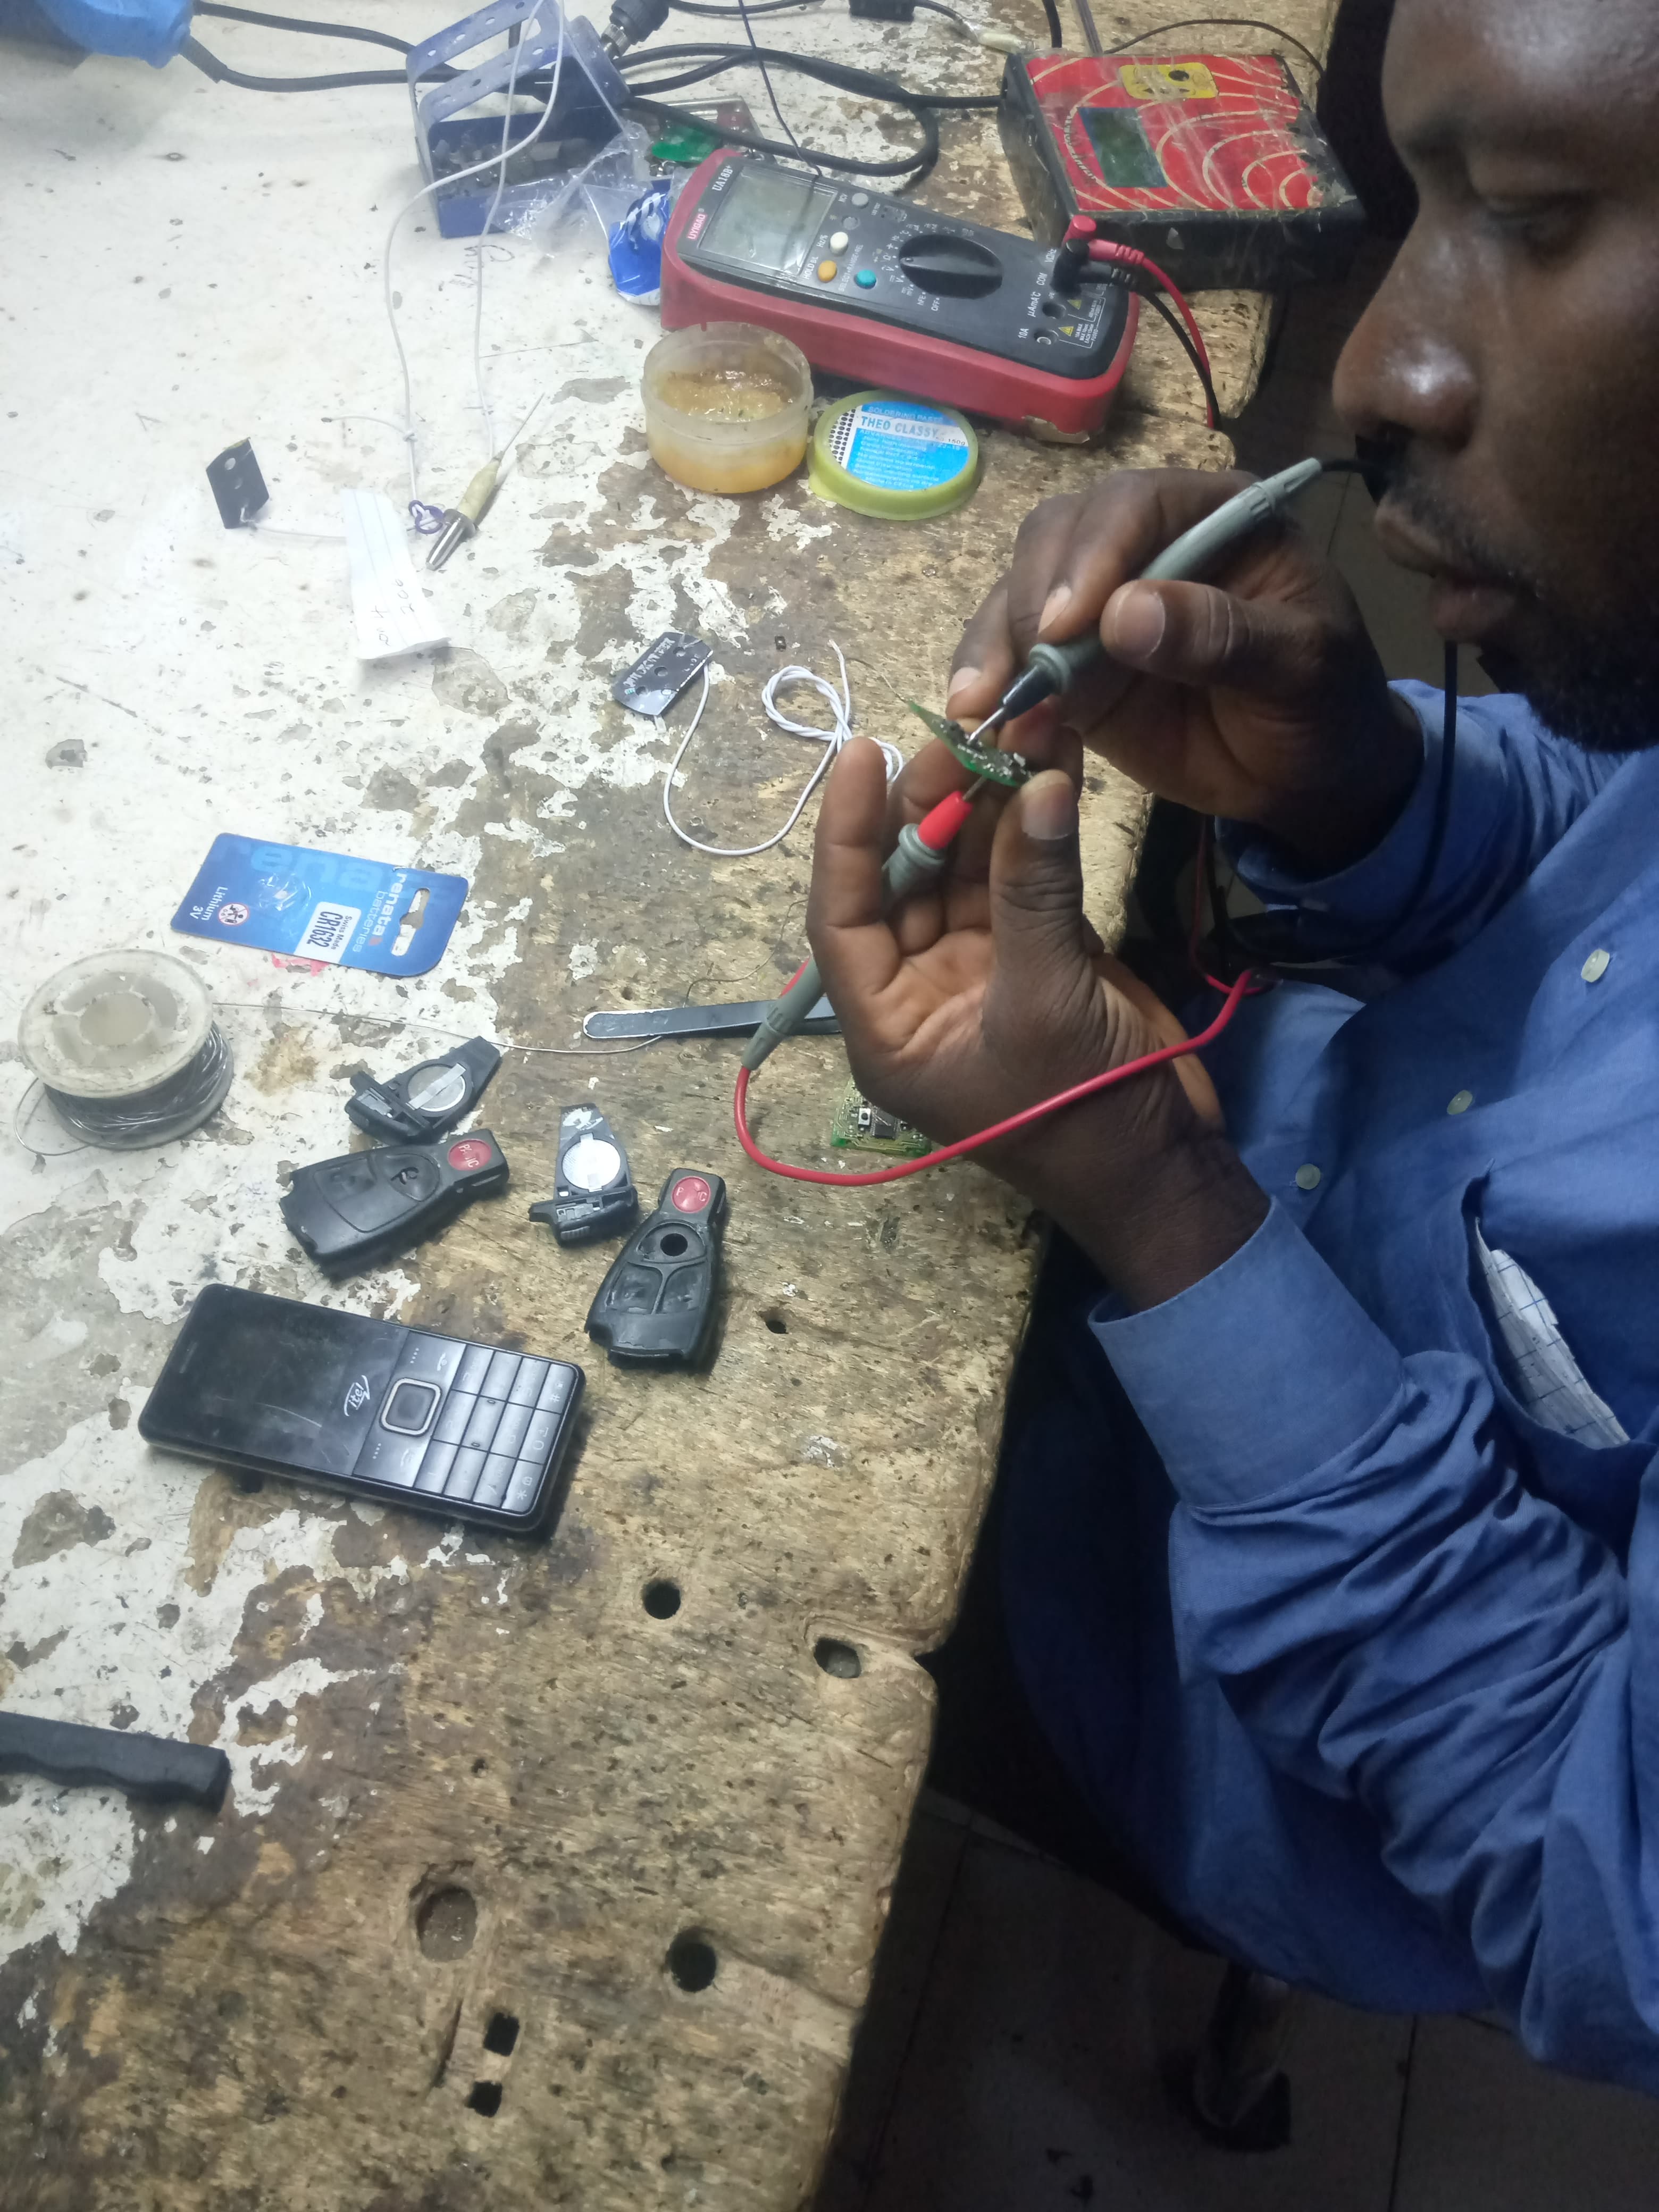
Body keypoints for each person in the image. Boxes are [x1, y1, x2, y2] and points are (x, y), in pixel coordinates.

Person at [803, 0, 1659, 2094]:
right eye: (1419, 204)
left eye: (1532, 214)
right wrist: (1360, 783)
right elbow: (1605, 866)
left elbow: (1600, 1894)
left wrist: (1163, 1202)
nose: (1374, 372)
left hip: (1241, 1706)